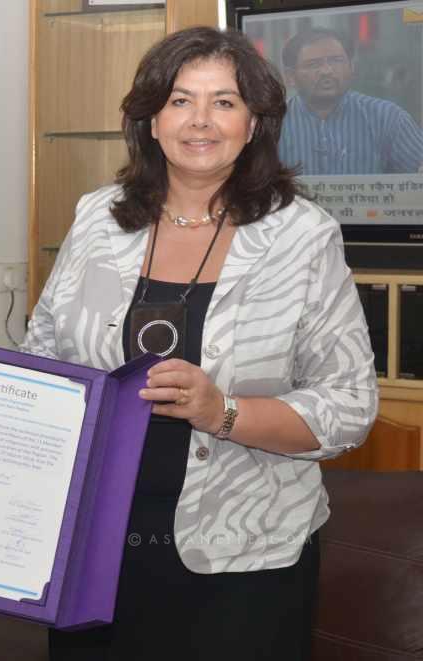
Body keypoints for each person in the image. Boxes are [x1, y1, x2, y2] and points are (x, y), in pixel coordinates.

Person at [21, 27, 378, 661]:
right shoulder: (96, 220)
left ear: (254, 123)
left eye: (225, 101)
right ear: (150, 120)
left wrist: (223, 412)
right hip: (93, 544)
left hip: (247, 563)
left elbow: (349, 405)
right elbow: (45, 358)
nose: (200, 121)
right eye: (180, 100)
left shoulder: (303, 236)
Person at [278, 27, 423, 175]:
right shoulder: (273, 125)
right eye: (314, 64)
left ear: (351, 67)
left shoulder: (388, 119)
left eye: (336, 61)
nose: (327, 71)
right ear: (290, 76)